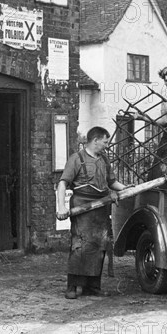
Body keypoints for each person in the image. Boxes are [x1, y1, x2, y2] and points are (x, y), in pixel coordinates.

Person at [56, 126, 129, 299]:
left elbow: (112, 182)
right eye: (104, 142)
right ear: (95, 140)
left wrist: (127, 189)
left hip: (101, 206)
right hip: (82, 205)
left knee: (99, 245)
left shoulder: (104, 159)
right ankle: (72, 286)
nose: (106, 145)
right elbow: (62, 184)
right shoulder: (77, 158)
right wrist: (61, 207)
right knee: (80, 245)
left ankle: (92, 287)